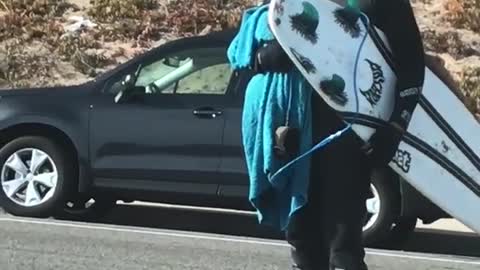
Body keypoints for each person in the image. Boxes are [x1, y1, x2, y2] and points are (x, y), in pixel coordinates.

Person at [251, 0, 425, 269]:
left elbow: (412, 67)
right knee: (303, 243)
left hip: (350, 139)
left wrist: (394, 128)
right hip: (299, 138)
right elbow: (249, 52)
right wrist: (265, 57)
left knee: (343, 249)